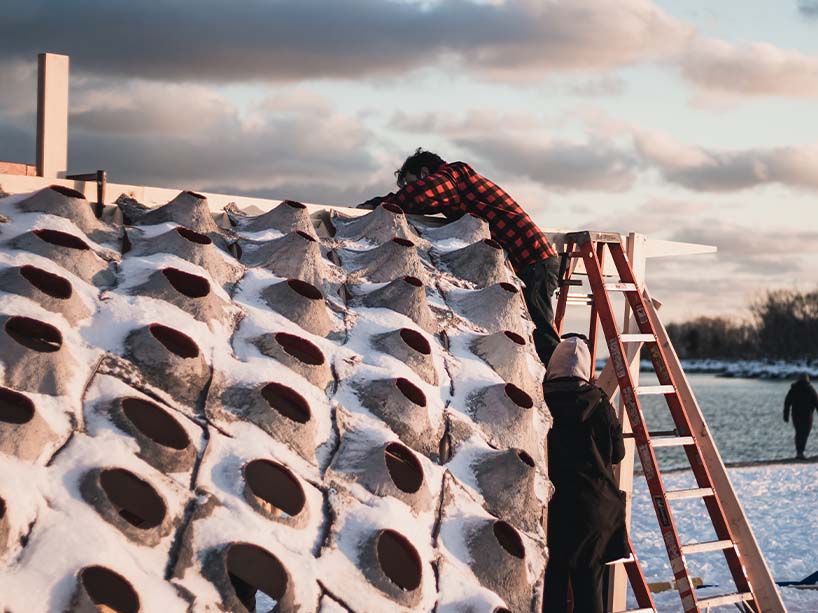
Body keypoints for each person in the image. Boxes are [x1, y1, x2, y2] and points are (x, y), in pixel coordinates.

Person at [358, 148, 562, 365]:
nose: (409, 188)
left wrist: (379, 204)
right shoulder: (460, 183)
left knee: (540, 330)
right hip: (533, 260)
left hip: (533, 260)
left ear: (425, 172)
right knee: (534, 326)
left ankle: (561, 381)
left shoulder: (456, 176)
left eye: (410, 182)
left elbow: (420, 195)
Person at [542, 336, 628, 613]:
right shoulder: (600, 404)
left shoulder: (540, 402)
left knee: (551, 585)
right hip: (594, 510)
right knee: (589, 588)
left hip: (552, 510)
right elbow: (618, 454)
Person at [784, 373, 818, 460]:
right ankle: (800, 452)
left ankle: (799, 452)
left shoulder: (794, 389)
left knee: (799, 433)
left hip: (796, 415)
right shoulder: (810, 389)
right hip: (807, 416)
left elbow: (787, 402)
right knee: (804, 433)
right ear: (807, 380)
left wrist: (786, 414)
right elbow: (817, 402)